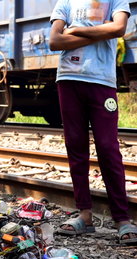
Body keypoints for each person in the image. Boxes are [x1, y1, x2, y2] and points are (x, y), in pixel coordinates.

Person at [49, 0, 137, 244]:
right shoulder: (65, 1)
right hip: (68, 78)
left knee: (108, 148)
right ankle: (84, 215)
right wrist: (100, 31)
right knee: (75, 147)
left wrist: (75, 30)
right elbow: (55, 41)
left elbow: (118, 29)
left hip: (102, 81)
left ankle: (122, 219)